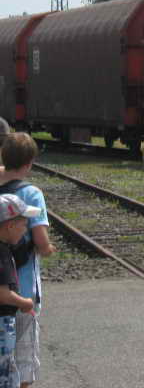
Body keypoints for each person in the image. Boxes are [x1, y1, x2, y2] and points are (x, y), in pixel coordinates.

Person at [0, 133, 55, 388]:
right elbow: (41, 241)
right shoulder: (32, 193)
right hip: (22, 290)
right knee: (23, 358)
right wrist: (48, 249)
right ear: (29, 163)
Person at [0, 194, 39, 388]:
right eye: (23, 225)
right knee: (5, 373)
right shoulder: (2, 253)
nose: (25, 230)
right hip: (2, 323)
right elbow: (2, 294)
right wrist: (25, 302)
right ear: (10, 226)